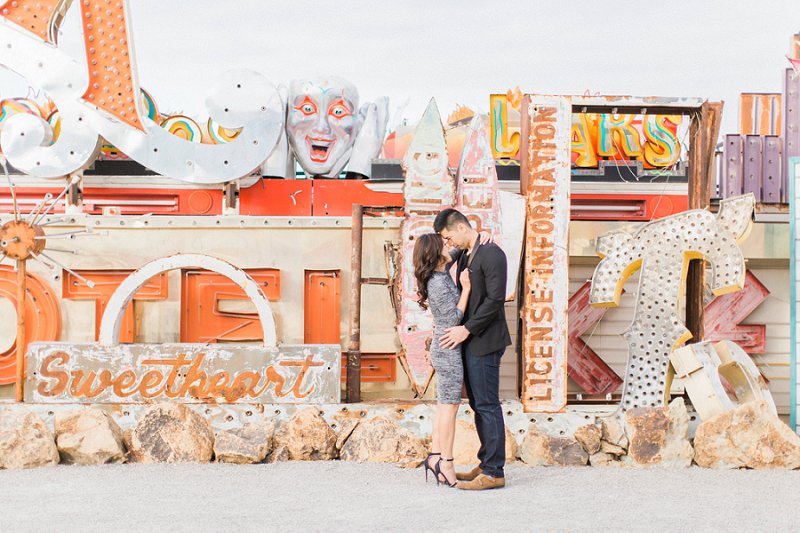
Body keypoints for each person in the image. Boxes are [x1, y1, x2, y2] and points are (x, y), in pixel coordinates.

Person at [435, 208, 511, 491]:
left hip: (486, 341)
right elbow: (439, 257)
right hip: (471, 341)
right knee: (479, 404)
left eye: (448, 236)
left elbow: (495, 300)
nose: (448, 242)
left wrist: (466, 329)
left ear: (461, 228)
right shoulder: (466, 252)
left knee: (488, 405)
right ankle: (486, 463)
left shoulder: (492, 254)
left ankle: (494, 472)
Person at [413, 233, 472, 488]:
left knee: (443, 405)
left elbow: (458, 251)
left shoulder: (440, 270)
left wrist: (480, 237)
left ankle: (435, 456)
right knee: (450, 407)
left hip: (444, 347)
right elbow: (454, 319)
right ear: (436, 254)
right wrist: (467, 287)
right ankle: (446, 462)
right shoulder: (437, 282)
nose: (450, 246)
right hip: (448, 348)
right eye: (445, 245)